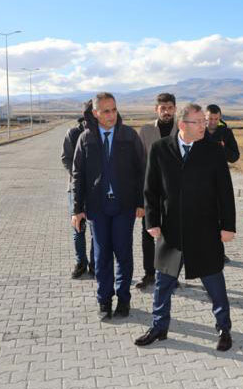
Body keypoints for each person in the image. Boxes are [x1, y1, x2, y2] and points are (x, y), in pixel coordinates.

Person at [135, 103, 236, 351]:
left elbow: (225, 191)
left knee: (214, 282)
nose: (204, 126)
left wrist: (228, 226)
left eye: (204, 121)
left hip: (205, 229)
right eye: (198, 122)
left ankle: (224, 328)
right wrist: (152, 221)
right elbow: (151, 189)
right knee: (163, 282)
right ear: (182, 125)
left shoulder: (213, 150)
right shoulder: (160, 149)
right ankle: (159, 327)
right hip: (171, 230)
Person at [71, 92, 146, 320]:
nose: (111, 115)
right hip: (97, 208)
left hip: (124, 206)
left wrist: (141, 202)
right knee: (102, 256)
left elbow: (142, 170)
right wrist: (77, 209)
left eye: (114, 110)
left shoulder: (129, 136)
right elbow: (78, 174)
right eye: (106, 111)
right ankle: (104, 300)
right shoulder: (86, 139)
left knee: (123, 254)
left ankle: (123, 300)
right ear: (95, 113)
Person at [136, 92, 177, 289]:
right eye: (163, 108)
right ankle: (149, 274)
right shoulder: (145, 131)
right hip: (150, 192)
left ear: (175, 109)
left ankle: (170, 276)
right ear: (156, 109)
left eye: (170, 108)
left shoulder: (183, 129)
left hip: (175, 194)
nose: (166, 112)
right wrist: (139, 199)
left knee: (172, 235)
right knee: (147, 234)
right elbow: (138, 165)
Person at [62, 99, 96, 279]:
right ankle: (80, 262)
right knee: (78, 227)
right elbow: (66, 158)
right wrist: (78, 176)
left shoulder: (100, 132)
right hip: (75, 188)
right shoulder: (73, 133)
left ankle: (95, 264)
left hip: (95, 189)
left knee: (95, 228)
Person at [205, 103, 240, 264]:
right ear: (205, 117)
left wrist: (223, 149)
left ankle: (218, 252)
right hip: (198, 179)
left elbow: (235, 156)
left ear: (220, 119)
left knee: (218, 216)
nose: (212, 122)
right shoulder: (197, 130)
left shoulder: (226, 133)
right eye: (210, 118)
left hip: (219, 180)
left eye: (216, 119)